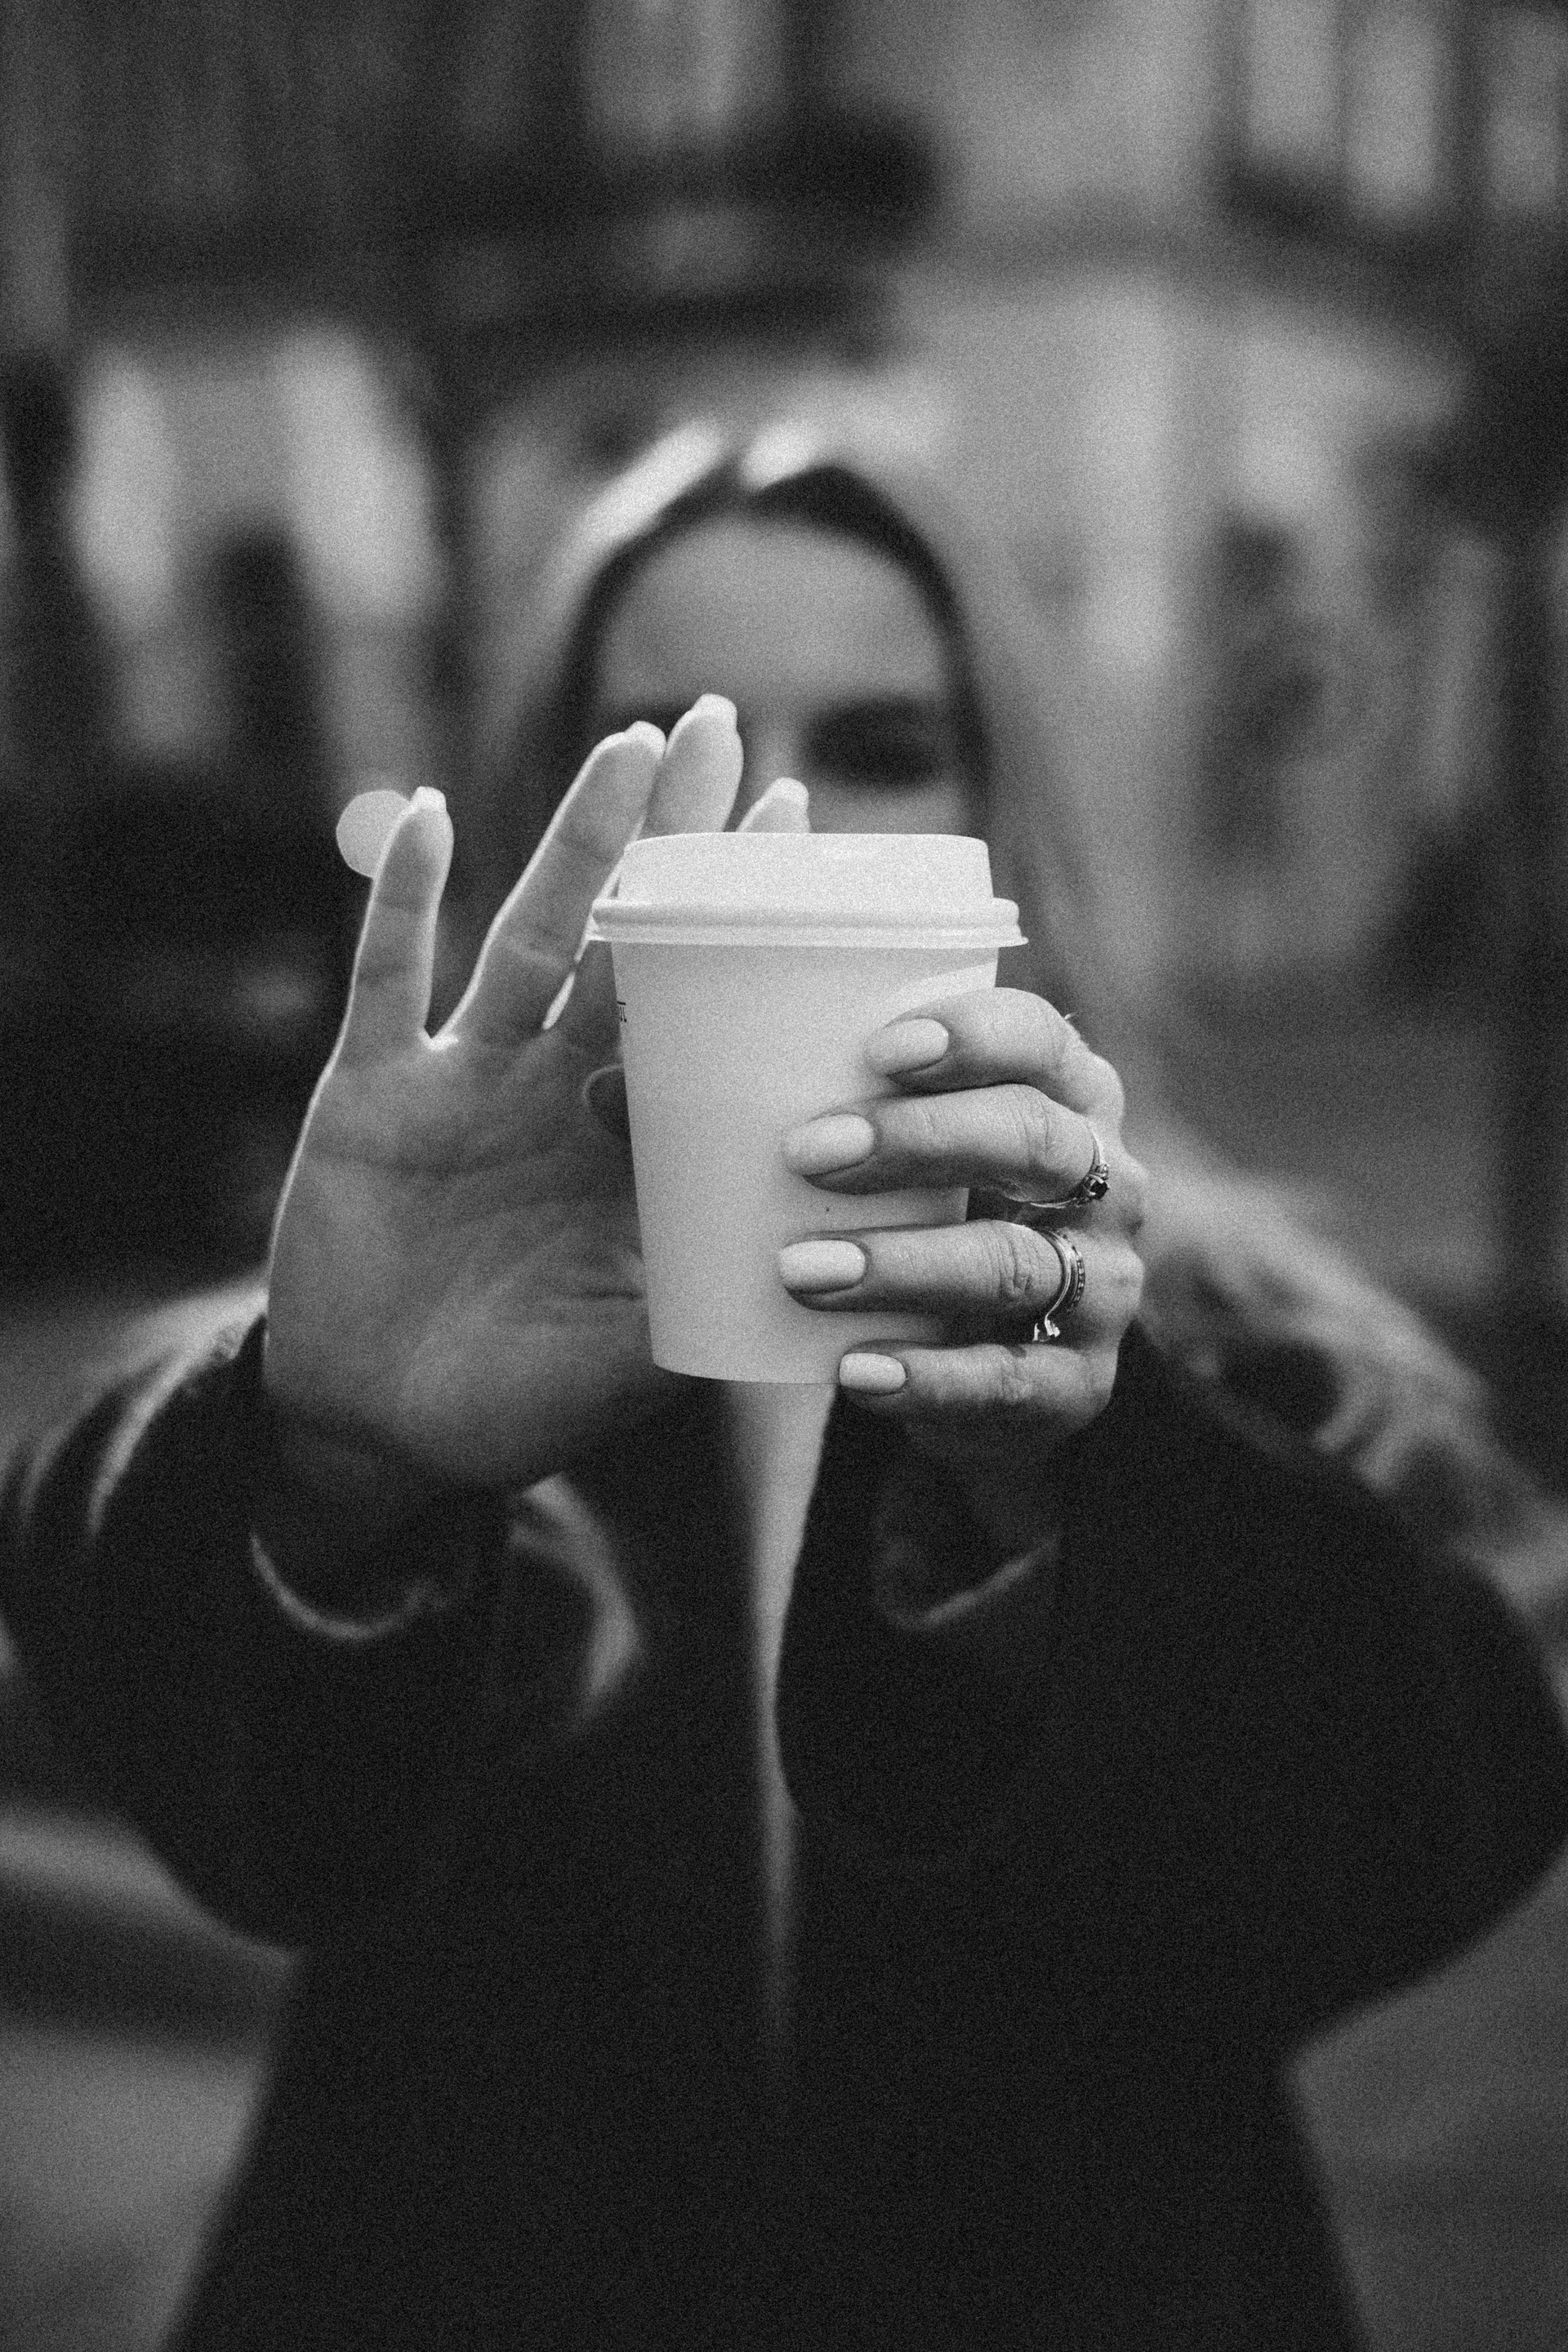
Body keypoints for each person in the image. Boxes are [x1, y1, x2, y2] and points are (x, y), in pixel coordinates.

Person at [2, 421, 1566, 2352]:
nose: (787, 834)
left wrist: (1067, 1490)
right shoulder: (419, 1310)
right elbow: (140, 1681)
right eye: (680, 753)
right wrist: (324, 1461)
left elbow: (1431, 1826)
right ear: (563, 832)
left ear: (1002, 826)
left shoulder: (1243, 1343)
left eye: (884, 745)